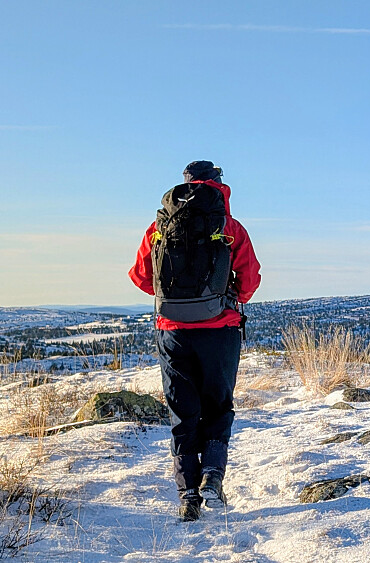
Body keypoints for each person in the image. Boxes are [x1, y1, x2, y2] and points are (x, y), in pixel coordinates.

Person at [129, 160, 261, 521]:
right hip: (220, 329)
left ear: (184, 185)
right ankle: (213, 478)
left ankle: (187, 494)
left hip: (172, 331)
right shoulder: (230, 227)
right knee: (218, 406)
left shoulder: (159, 227)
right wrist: (223, 294)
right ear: (219, 185)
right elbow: (249, 282)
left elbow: (141, 277)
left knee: (182, 411)